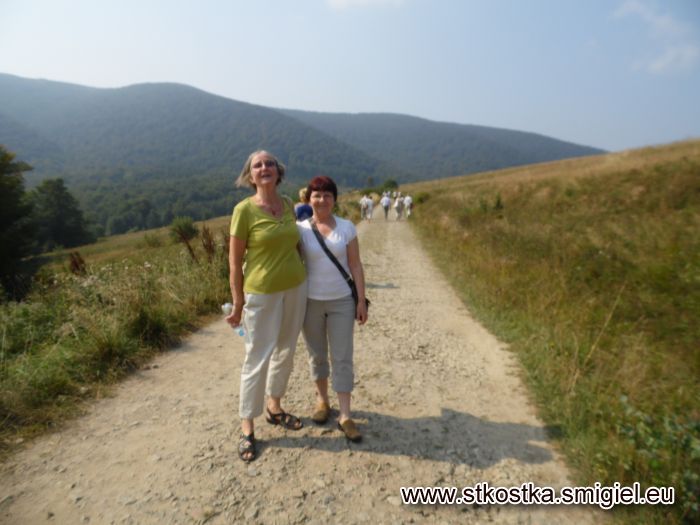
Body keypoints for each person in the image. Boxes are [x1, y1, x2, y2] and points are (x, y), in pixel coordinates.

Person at [226, 150, 307, 462]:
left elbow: (296, 243)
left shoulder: (287, 204)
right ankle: (247, 426)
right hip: (261, 293)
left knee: (286, 350)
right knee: (257, 356)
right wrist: (237, 303)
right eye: (257, 165)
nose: (264, 168)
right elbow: (235, 263)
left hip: (296, 288)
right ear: (250, 176)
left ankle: (274, 407)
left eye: (269, 163)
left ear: (278, 171)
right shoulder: (243, 210)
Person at [297, 175, 368, 442]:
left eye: (327, 195)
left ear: (335, 199)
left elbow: (356, 265)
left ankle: (345, 415)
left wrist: (360, 301)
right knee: (316, 354)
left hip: (342, 301)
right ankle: (322, 402)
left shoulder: (347, 228)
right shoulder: (300, 229)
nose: (322, 200)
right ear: (308, 199)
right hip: (310, 302)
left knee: (342, 356)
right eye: (317, 195)